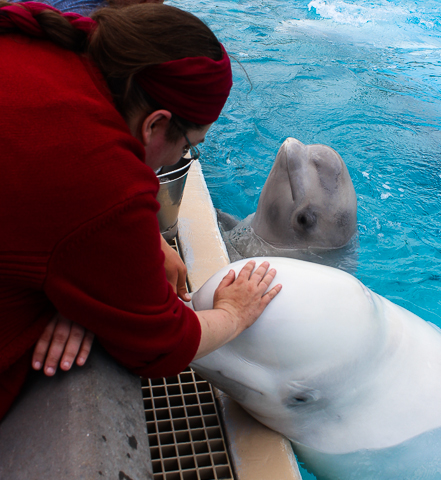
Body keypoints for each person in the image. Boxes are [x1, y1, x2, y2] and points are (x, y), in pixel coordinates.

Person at [0, 1, 281, 419]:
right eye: (187, 146)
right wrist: (234, 313)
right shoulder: (99, 178)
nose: (180, 157)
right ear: (154, 124)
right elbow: (161, 345)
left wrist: (110, 269)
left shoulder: (44, 43)